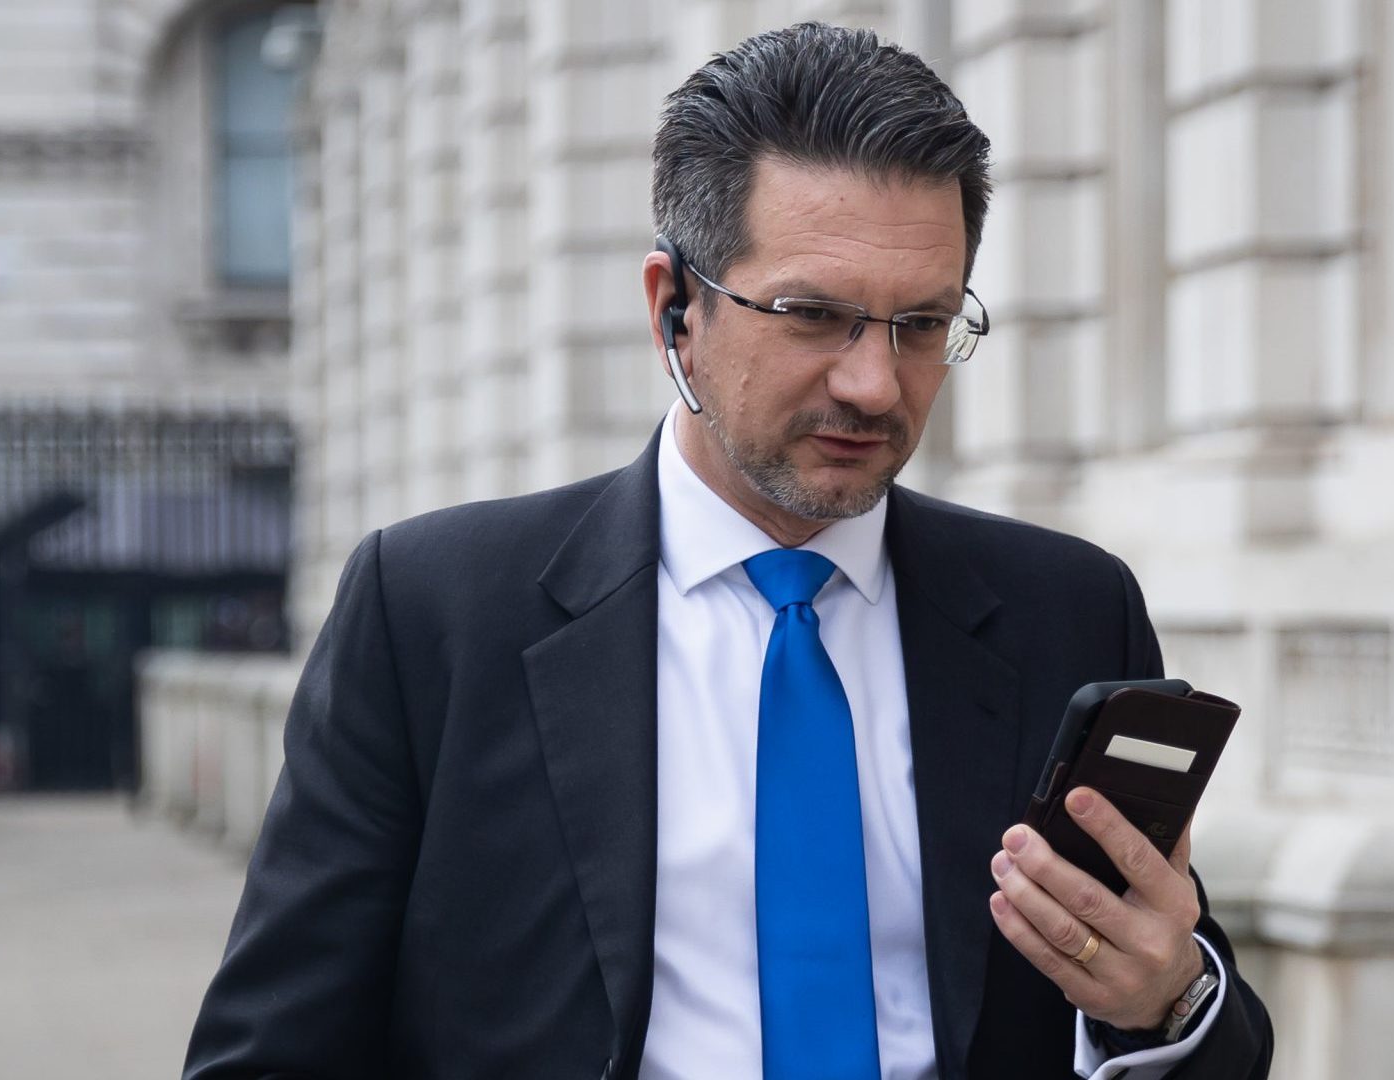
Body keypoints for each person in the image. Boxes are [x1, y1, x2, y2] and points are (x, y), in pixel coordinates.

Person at [185, 22, 1270, 1080]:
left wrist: (1166, 1003)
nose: (874, 384)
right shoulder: (433, 616)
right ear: (674, 313)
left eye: (923, 325)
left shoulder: (1067, 612)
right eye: (813, 315)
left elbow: (1187, 1003)